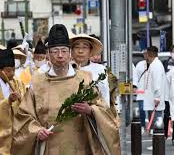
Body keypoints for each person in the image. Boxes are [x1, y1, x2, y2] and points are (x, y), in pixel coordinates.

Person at [12, 24, 120, 155]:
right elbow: (24, 115)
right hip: (49, 146)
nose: (60, 55)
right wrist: (36, 131)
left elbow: (104, 110)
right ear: (48, 54)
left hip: (81, 146)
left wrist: (91, 110)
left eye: (64, 51)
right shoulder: (38, 81)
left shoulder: (85, 79)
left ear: (70, 54)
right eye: (55, 51)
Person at [70, 33, 110, 105]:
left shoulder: (100, 69)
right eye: (77, 47)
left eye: (85, 47)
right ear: (71, 50)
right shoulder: (66, 69)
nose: (80, 51)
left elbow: (105, 93)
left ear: (90, 50)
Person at [0, 48, 25, 155]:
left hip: (16, 131)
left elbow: (25, 104)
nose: (12, 74)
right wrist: (8, 101)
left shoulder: (18, 83)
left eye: (14, 70)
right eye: (8, 70)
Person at [134, 50, 149, 134]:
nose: (146, 55)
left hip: (151, 91)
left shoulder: (154, 64)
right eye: (145, 54)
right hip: (141, 90)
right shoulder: (139, 64)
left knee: (151, 110)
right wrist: (135, 86)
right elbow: (135, 76)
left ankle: (151, 127)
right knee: (141, 109)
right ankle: (143, 126)